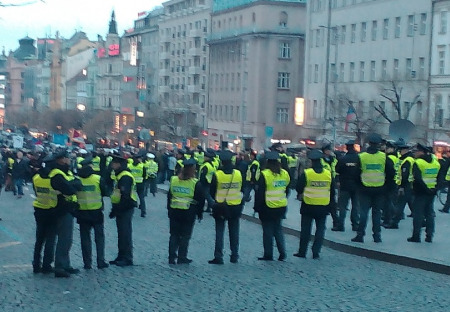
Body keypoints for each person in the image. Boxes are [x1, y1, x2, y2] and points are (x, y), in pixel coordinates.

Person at [351, 133, 395, 243]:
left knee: (364, 213)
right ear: (379, 145)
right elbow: (391, 173)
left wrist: (359, 186)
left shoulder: (362, 156)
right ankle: (377, 236)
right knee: (377, 214)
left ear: (369, 144)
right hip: (379, 189)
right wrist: (387, 187)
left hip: (364, 189)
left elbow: (356, 174)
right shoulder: (384, 157)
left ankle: (360, 235)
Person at [294, 149, 335, 259]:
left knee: (305, 230)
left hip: (308, 205)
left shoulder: (307, 173)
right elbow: (332, 191)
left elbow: (298, 188)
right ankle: (316, 252)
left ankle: (302, 252)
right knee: (320, 230)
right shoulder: (328, 174)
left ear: (311, 161)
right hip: (323, 206)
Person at [49, 150, 83, 278]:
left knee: (67, 239)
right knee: (64, 239)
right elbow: (69, 189)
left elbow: (75, 184)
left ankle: (65, 264)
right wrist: (73, 185)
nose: (69, 160)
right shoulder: (57, 174)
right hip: (61, 208)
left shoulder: (65, 172)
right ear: (62, 159)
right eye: (67, 158)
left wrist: (73, 185)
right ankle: (60, 266)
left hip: (68, 208)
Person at [209, 150, 243, 264]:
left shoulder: (217, 174)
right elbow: (241, 188)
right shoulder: (238, 174)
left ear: (222, 162)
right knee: (234, 232)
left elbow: (212, 191)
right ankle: (234, 255)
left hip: (220, 206)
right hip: (235, 206)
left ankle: (218, 256)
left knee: (219, 232)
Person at [254, 151, 290, 261]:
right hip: (281, 206)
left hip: (267, 207)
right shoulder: (284, 173)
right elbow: (287, 189)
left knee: (268, 231)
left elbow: (260, 193)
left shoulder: (265, 174)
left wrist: (257, 207)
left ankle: (268, 254)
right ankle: (282, 252)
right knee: (278, 230)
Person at [167, 158, 204, 264]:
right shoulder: (195, 183)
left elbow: (169, 196)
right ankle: (182, 257)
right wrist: (199, 213)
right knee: (185, 236)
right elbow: (200, 200)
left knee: (174, 234)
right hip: (188, 212)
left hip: (174, 211)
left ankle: (171, 256)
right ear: (193, 170)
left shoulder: (173, 179)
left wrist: (169, 209)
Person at [75, 157, 109, 270]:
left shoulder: (77, 179)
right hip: (96, 211)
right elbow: (105, 192)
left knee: (85, 239)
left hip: (82, 212)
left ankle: (87, 263)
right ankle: (100, 261)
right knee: (99, 238)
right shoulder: (98, 178)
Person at [108, 152, 137, 266]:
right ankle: (121, 255)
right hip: (121, 207)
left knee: (125, 233)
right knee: (121, 233)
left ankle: (127, 257)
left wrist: (117, 209)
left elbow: (125, 195)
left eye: (113, 163)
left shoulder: (125, 176)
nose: (111, 165)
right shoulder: (119, 174)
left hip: (125, 207)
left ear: (118, 164)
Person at [407, 144, 440, 243]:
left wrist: (425, 189)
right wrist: (434, 189)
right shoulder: (435, 162)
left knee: (418, 214)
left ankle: (416, 236)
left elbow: (417, 179)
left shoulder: (418, 163)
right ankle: (429, 236)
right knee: (429, 214)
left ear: (422, 152)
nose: (415, 153)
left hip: (420, 192)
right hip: (432, 192)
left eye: (416, 151)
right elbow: (440, 178)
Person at [32, 154, 58, 274]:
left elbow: (35, 191)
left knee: (39, 239)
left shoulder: (36, 177)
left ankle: (36, 264)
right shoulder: (53, 179)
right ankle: (47, 265)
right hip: (51, 210)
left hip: (39, 209)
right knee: (50, 240)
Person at [334, 140, 360, 232]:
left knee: (342, 206)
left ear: (346, 147)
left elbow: (337, 170)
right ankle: (355, 225)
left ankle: (341, 225)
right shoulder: (358, 158)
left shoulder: (342, 159)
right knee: (355, 206)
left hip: (345, 185)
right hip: (356, 185)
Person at [386, 142, 414, 228]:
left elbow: (404, 175)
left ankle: (394, 223)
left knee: (400, 205)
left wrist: (401, 186)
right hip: (409, 185)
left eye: (401, 150)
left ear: (405, 150)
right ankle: (422, 220)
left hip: (405, 185)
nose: (400, 152)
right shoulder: (409, 159)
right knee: (410, 203)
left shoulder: (407, 160)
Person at [128, 152, 147, 217]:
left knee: (131, 196)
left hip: (132, 184)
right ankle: (143, 211)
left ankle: (131, 210)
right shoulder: (142, 166)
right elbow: (145, 176)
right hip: (140, 183)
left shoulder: (129, 166)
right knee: (141, 197)